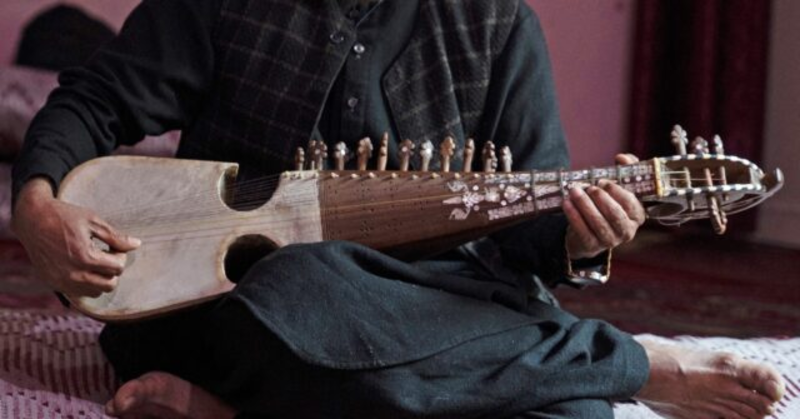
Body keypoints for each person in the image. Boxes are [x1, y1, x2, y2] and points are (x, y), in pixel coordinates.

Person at [11, 0, 785, 418]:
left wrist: (583, 234)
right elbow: (93, 101)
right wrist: (39, 203)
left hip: (433, 307)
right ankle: (635, 362)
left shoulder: (497, 23)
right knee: (303, 290)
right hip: (238, 305)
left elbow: (534, 229)